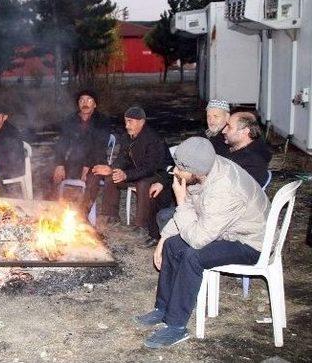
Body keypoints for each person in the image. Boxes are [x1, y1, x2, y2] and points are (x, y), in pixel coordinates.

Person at [135, 137, 269, 348]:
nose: (175, 171)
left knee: (192, 256)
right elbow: (193, 212)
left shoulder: (224, 189)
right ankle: (163, 308)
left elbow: (197, 239)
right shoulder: (205, 171)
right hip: (224, 229)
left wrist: (180, 201)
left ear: (196, 171)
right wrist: (163, 240)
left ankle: (176, 326)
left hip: (250, 241)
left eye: (180, 168)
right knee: (172, 245)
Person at [99, 106, 173, 247]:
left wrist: (126, 174)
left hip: (157, 174)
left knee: (143, 184)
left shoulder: (153, 139)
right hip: (136, 172)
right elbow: (122, 158)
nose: (126, 125)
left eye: (130, 122)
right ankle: (112, 216)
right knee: (111, 177)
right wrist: (112, 168)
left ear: (141, 122)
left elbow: (150, 167)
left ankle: (141, 226)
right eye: (126, 121)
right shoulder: (127, 136)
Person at [52, 90, 113, 188]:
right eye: (81, 101)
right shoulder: (70, 120)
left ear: (95, 104)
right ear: (78, 104)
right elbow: (61, 143)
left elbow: (100, 147)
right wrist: (59, 164)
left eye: (89, 100)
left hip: (96, 160)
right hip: (74, 161)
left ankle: (83, 203)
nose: (85, 103)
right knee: (49, 174)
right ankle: (54, 202)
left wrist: (87, 166)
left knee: (90, 178)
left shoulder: (102, 121)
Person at [221, 111, 272, 186]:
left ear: (245, 131)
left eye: (229, 127)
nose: (223, 131)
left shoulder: (252, 161)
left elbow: (237, 190)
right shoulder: (238, 149)